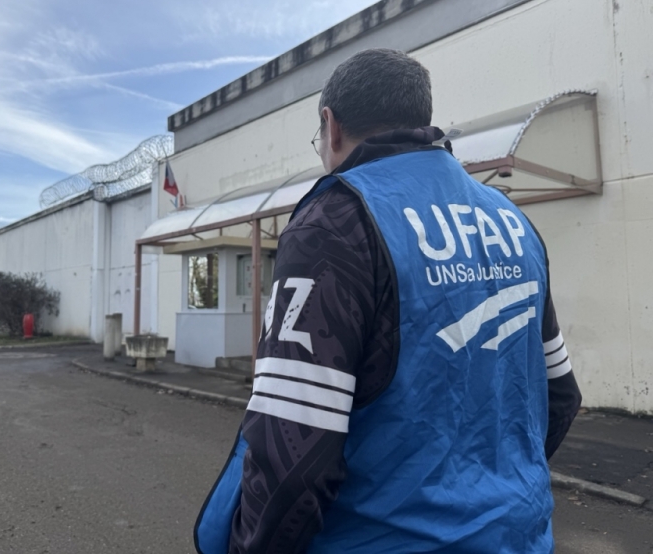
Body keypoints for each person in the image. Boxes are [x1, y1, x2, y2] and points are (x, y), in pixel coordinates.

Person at [194, 48, 582, 553]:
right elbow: (560, 394)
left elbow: (292, 459)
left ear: (331, 126)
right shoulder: (513, 223)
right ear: (421, 119)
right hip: (521, 538)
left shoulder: (335, 222)